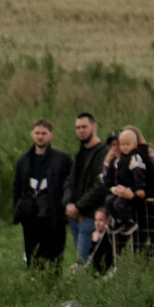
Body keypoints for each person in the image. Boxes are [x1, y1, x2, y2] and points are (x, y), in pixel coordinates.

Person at [12, 121, 68, 266]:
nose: (40, 137)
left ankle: (53, 286)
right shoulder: (23, 160)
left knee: (54, 259)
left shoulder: (62, 159)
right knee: (33, 258)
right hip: (30, 216)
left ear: (51, 135)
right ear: (32, 134)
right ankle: (34, 285)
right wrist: (19, 209)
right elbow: (17, 187)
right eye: (37, 133)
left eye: (44, 133)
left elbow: (69, 184)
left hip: (53, 216)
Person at [65, 112, 109, 266]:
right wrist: (69, 204)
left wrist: (79, 207)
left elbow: (100, 185)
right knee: (80, 262)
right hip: (75, 216)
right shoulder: (80, 153)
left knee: (83, 262)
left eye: (84, 126)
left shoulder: (103, 152)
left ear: (94, 127)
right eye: (78, 127)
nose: (81, 130)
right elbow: (70, 181)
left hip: (91, 216)